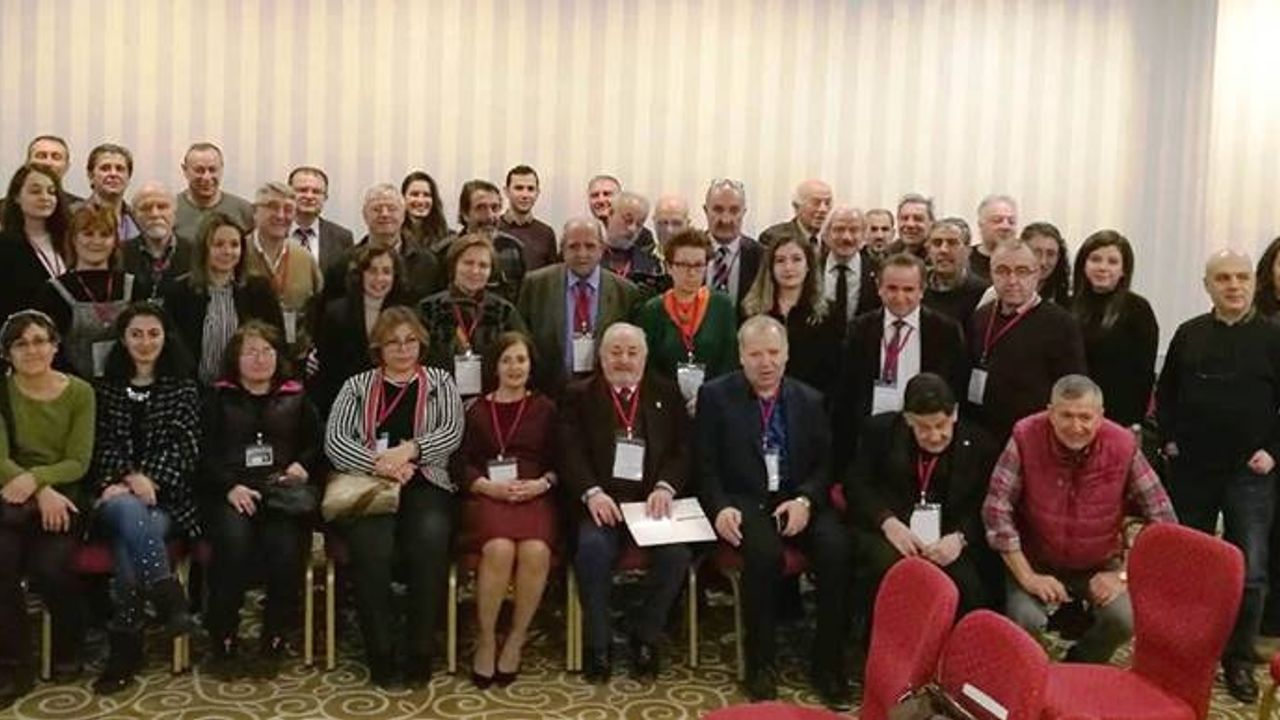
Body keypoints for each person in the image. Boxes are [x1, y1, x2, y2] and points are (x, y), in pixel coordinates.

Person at [697, 315, 853, 709]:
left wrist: (805, 500)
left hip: (797, 498)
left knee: (837, 549)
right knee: (765, 557)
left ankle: (828, 664)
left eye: (773, 353)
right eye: (755, 354)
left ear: (786, 354)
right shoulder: (715, 396)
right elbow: (705, 465)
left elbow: (825, 465)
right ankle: (761, 664)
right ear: (741, 356)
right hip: (745, 500)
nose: (765, 363)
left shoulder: (810, 399)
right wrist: (719, 508)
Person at [1156, 249, 1280, 702]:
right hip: (1193, 469)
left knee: (1251, 573)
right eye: (1223, 278)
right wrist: (1168, 438)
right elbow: (1166, 392)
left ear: (1253, 282)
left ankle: (1238, 660)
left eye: (1242, 277)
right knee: (1187, 567)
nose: (1234, 285)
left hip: (1250, 474)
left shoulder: (1273, 337)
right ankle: (1181, 652)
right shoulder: (1189, 334)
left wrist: (1273, 452)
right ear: (1207, 285)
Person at [984, 375, 1176, 664]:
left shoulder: (1123, 445)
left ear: (1100, 416)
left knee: (1125, 619)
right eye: (1066, 416)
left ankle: (1081, 665)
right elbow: (996, 509)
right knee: (1024, 619)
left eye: (1085, 417)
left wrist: (1122, 576)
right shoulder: (1024, 436)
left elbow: (1163, 518)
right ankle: (1032, 673)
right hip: (1036, 559)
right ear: (1050, 412)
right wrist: (1027, 576)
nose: (1076, 427)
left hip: (1099, 562)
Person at [324, 307, 463, 687]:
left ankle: (420, 650)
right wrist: (381, 464)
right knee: (372, 550)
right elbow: (335, 441)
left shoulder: (440, 382)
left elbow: (452, 431)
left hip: (425, 481)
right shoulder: (356, 386)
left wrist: (411, 451)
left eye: (410, 341)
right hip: (370, 483)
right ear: (378, 348)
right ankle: (380, 651)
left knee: (430, 542)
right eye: (393, 343)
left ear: (421, 344)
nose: (403, 349)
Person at [558, 323, 692, 683]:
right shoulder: (578, 395)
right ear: (601, 357)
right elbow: (568, 451)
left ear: (645, 358)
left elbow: (682, 450)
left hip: (651, 504)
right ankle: (598, 643)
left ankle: (644, 634)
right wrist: (592, 492)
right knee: (592, 550)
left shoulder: (666, 393)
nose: (624, 360)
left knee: (677, 556)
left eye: (633, 353)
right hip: (602, 503)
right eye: (615, 352)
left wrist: (665, 487)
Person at [89, 303, 201, 694]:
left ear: (166, 338)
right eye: (136, 334)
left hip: (166, 500)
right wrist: (121, 479)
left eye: (153, 333)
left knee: (131, 538)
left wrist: (146, 479)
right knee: (125, 509)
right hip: (111, 495)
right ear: (123, 340)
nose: (145, 342)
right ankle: (167, 593)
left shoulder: (183, 389)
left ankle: (126, 643)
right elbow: (98, 445)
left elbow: (186, 448)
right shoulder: (103, 389)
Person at [202, 321, 322, 680]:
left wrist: (302, 465)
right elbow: (203, 453)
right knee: (233, 544)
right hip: (231, 492)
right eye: (251, 352)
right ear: (235, 358)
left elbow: (317, 443)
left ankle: (275, 635)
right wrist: (229, 486)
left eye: (267, 351)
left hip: (281, 490)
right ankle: (224, 635)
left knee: (286, 548)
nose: (260, 359)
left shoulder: (296, 396)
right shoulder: (217, 397)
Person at [0, 311, 93, 706]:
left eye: (40, 341)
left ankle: (69, 646)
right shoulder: (2, 391)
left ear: (55, 346)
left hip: (65, 493)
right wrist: (37, 488)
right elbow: (0, 458)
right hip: (10, 495)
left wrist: (40, 482)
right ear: (8, 353)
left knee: (51, 567)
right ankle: (13, 665)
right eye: (20, 344)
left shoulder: (80, 392)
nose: (32, 350)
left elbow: (78, 461)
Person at [846, 373, 998, 615]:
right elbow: (857, 486)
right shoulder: (881, 432)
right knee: (887, 569)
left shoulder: (981, 445)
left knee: (967, 586)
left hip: (950, 537)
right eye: (924, 428)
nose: (935, 436)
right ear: (908, 419)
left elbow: (986, 505)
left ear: (954, 414)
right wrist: (887, 522)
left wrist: (959, 538)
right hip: (894, 532)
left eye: (941, 425)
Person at [456, 332, 557, 687]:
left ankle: (516, 638)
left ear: (531, 365)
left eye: (521, 360)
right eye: (507, 360)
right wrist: (487, 486)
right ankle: (486, 638)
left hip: (534, 495)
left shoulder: (546, 408)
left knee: (535, 550)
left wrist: (542, 483)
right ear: (494, 367)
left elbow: (561, 461)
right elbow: (460, 464)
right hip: (487, 495)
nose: (515, 367)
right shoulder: (474, 409)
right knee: (499, 548)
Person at [834, 253, 967, 468]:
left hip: (923, 432)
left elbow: (956, 386)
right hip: (871, 434)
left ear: (922, 290)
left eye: (908, 289)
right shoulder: (860, 329)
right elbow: (847, 390)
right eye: (892, 288)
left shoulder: (946, 331)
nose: (900, 297)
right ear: (879, 288)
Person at [964, 240, 1085, 442]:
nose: (1012, 280)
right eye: (1002, 271)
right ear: (991, 274)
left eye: (1022, 271)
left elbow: (1072, 388)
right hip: (982, 433)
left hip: (1034, 437)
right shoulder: (980, 316)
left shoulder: (1061, 324)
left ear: (1036, 275)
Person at [517, 216, 640, 395]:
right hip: (548, 394)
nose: (582, 254)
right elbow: (522, 340)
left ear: (602, 249)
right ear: (562, 249)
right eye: (573, 246)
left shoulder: (626, 292)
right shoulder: (536, 285)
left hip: (604, 396)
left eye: (590, 246)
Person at [164, 212, 284, 386]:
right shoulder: (179, 292)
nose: (227, 251)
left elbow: (277, 340)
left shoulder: (258, 290)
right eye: (218, 244)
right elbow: (174, 349)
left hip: (245, 390)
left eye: (234, 245)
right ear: (204, 248)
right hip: (194, 389)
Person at [36, 204, 142, 378]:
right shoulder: (53, 292)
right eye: (88, 234)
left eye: (105, 235)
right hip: (71, 385)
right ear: (73, 239)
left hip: (126, 383)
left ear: (115, 241)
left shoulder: (133, 286)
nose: (96, 241)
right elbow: (48, 348)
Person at [636, 230, 739, 409]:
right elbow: (649, 366)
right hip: (666, 405)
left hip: (714, 402)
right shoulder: (653, 310)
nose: (691, 273)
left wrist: (707, 397)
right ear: (669, 267)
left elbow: (729, 362)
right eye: (683, 265)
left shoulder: (721, 305)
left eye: (698, 265)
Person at [417, 234, 529, 395]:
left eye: (483, 265)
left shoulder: (504, 311)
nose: (475, 271)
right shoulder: (428, 309)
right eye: (468, 263)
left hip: (490, 400)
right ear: (454, 265)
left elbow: (523, 355)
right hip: (439, 397)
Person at [1069, 231, 1157, 428]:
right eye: (1095, 259)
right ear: (1083, 264)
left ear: (1123, 270)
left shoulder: (1138, 309)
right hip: (1072, 414)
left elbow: (1144, 373)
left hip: (1119, 417)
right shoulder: (1066, 305)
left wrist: (1134, 422)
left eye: (1112, 261)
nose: (1103, 267)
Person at [312, 245, 408, 415]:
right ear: (360, 274)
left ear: (395, 276)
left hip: (394, 404)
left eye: (386, 272)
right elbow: (328, 370)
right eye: (372, 271)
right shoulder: (336, 313)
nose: (379, 278)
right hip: (345, 404)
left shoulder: (407, 314)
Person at [740, 236, 841, 397]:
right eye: (780, 261)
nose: (788, 267)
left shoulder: (828, 313)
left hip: (811, 401)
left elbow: (834, 370)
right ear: (770, 267)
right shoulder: (752, 310)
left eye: (796, 259)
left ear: (808, 266)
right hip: (759, 399)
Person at [326, 183, 443, 306]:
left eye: (392, 209)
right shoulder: (344, 263)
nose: (385, 214)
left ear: (403, 215)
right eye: (377, 209)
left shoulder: (427, 263)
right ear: (365, 215)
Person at [244, 182, 323, 349]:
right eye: (273, 207)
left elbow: (318, 306)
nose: (281, 216)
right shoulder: (238, 254)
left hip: (295, 354)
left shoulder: (304, 258)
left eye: (288, 209)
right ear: (255, 212)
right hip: (248, 355)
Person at [0, 164, 71, 323]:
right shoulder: (4, 246)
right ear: (16, 197)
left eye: (51, 192)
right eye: (35, 191)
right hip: (24, 332)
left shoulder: (70, 240)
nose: (45, 197)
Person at [451, 180, 527, 303]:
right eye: (481, 208)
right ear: (465, 214)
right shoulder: (446, 250)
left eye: (495, 208)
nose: (490, 216)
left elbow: (522, 299)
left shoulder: (513, 249)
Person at [817, 206, 881, 336]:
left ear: (864, 236)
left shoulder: (879, 271)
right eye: (839, 229)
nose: (847, 237)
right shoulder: (811, 269)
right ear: (826, 235)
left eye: (854, 230)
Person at [123, 182, 192, 298]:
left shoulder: (196, 253)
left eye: (162, 207)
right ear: (134, 215)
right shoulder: (120, 254)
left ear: (174, 212)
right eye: (146, 208)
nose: (155, 214)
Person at [173, 142, 255, 240]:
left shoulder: (244, 211)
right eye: (199, 170)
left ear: (221, 169)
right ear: (185, 170)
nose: (206, 177)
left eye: (212, 170)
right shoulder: (171, 209)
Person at [703, 178, 762, 307]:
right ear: (706, 211)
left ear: (744, 212)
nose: (726, 219)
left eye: (734, 211)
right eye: (718, 210)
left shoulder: (760, 256)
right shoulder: (689, 251)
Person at [922, 217, 989, 328]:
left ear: (968, 251)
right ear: (928, 250)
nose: (943, 250)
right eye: (937, 243)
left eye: (952, 243)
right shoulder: (916, 287)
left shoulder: (983, 293)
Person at [288, 166, 355, 275]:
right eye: (302, 190)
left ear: (325, 197)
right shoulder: (272, 231)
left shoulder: (342, 238)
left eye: (316, 192)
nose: (309, 196)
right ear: (288, 194)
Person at [602, 191, 667, 299]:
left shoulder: (651, 265)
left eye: (639, 224)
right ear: (610, 214)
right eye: (628, 220)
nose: (632, 229)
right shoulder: (588, 257)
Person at [498, 165, 557, 271]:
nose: (525, 195)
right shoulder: (494, 229)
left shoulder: (546, 233)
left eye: (530, 189)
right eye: (519, 188)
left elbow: (552, 275)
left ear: (537, 193)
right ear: (506, 191)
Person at [83, 143, 140, 243]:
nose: (113, 174)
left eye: (120, 169)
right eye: (105, 168)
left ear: (128, 177)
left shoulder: (138, 219)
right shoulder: (74, 215)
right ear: (91, 176)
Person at [758, 179, 832, 248]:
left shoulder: (833, 238)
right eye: (816, 203)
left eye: (827, 203)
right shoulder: (773, 237)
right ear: (796, 206)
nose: (823, 209)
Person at [968, 194, 1018, 282]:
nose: (1006, 226)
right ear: (981, 225)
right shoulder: (966, 260)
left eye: (1011, 222)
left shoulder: (1024, 260)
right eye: (997, 220)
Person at [401, 171, 453, 252]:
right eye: (414, 194)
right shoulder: (394, 238)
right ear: (403, 198)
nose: (421, 201)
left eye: (426, 195)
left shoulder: (449, 239)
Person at [1022, 222, 1071, 305]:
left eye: (1051, 254)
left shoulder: (1065, 299)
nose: (1043, 262)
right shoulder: (1001, 292)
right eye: (1036, 253)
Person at [889, 193, 932, 259]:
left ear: (931, 223)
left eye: (918, 219)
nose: (910, 224)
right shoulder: (887, 254)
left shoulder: (937, 258)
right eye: (904, 218)